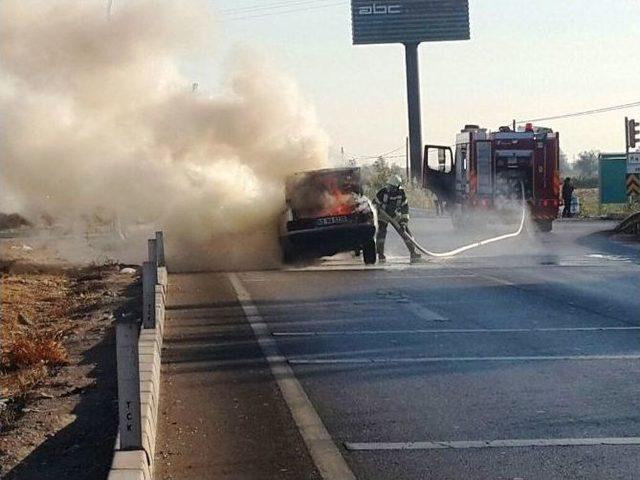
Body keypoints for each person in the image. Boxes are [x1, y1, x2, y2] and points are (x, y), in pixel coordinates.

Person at [374, 175, 422, 263]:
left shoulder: (401, 193)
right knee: (381, 234)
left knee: (405, 232)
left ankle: (413, 252)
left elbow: (405, 209)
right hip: (382, 215)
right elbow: (374, 204)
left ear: (397, 187)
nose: (390, 189)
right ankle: (380, 254)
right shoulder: (382, 192)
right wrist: (377, 210)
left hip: (394, 215)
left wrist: (403, 222)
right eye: (389, 186)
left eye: (392, 187)